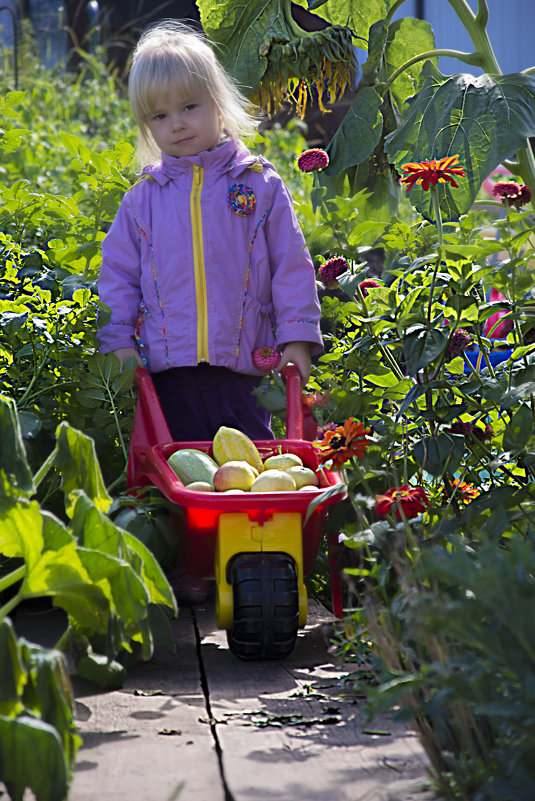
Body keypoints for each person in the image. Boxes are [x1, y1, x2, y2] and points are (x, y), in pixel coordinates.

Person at [97, 20, 323, 601]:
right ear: (147, 125)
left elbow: (290, 266)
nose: (176, 124)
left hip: (243, 364)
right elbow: (118, 278)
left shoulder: (257, 185)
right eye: (159, 116)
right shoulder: (143, 199)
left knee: (251, 473)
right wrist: (119, 341)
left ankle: (258, 559)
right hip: (168, 367)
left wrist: (298, 336)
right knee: (178, 475)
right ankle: (196, 567)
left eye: (190, 107)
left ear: (218, 104)